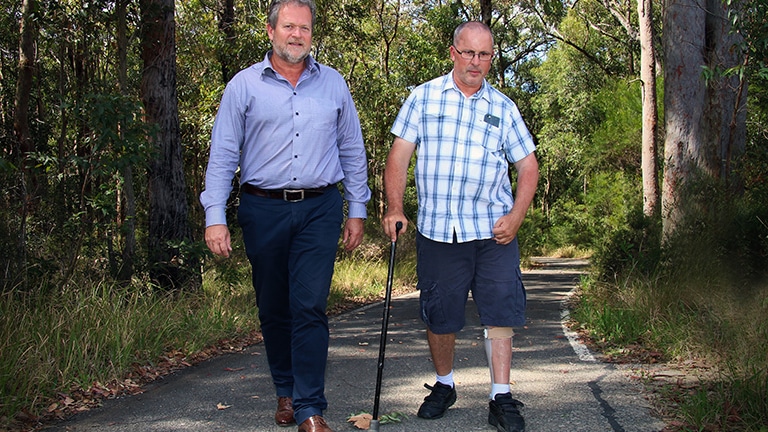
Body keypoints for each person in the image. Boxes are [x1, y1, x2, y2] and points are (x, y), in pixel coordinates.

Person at [200, 0, 370, 430]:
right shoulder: (243, 86)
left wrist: (358, 208)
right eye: (289, 27)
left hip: (320, 208)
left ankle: (310, 407)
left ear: (313, 34)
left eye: (305, 28)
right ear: (271, 31)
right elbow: (223, 153)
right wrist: (215, 214)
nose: (297, 35)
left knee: (310, 305)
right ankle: (285, 392)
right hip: (263, 209)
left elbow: (351, 148)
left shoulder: (333, 84)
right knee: (275, 307)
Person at [382, 21, 539, 432]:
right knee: (440, 313)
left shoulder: (503, 107)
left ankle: (500, 395)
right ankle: (445, 384)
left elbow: (527, 166)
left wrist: (517, 214)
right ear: (453, 52)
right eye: (468, 53)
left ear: (491, 58)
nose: (476, 62)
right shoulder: (424, 97)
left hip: (493, 231)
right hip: (439, 230)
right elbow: (399, 156)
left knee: (500, 311)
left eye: (484, 54)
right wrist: (394, 207)